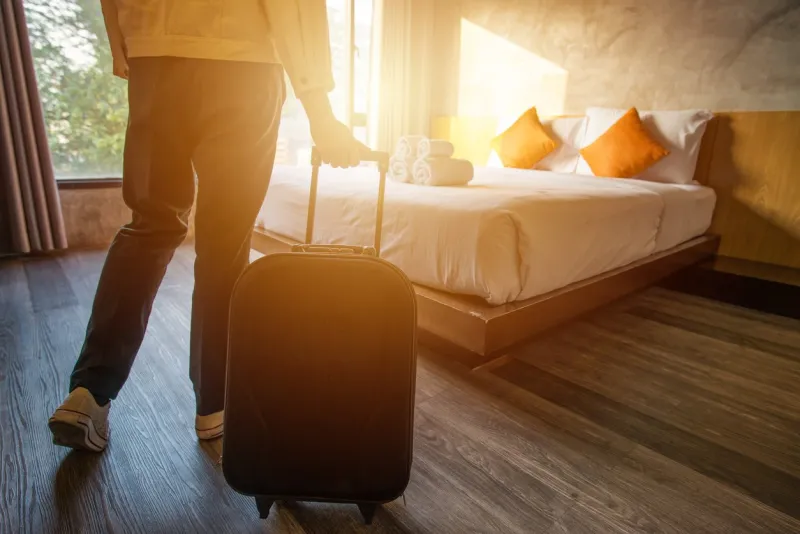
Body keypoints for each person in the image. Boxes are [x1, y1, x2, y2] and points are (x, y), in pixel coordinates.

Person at [48, 0, 367, 452]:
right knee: (225, 242)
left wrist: (122, 40)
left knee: (151, 226)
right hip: (244, 64)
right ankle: (215, 405)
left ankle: (88, 393)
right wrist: (319, 109)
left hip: (156, 55)